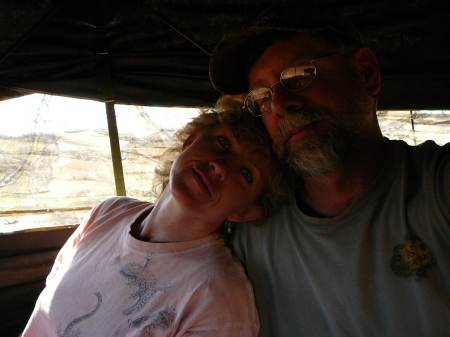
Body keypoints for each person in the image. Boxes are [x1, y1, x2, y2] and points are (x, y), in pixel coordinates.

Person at [209, 2, 450, 337]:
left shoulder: (435, 186)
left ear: (365, 73)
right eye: (261, 97)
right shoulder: (250, 217)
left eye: (299, 74)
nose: (279, 104)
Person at [20, 96, 292, 337]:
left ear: (244, 211)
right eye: (223, 142)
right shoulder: (107, 213)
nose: (220, 166)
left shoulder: (217, 297)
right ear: (191, 140)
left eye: (246, 174)